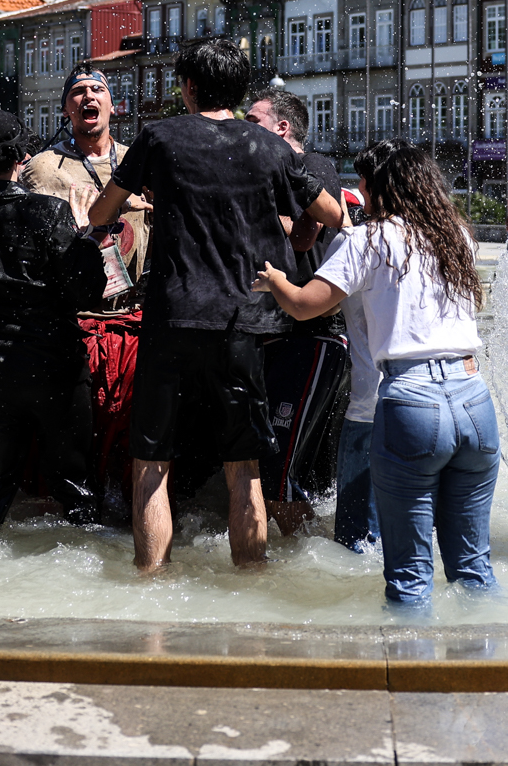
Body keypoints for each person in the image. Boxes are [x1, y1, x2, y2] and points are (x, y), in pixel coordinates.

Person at [86, 37, 341, 570]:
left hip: (170, 318)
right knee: (243, 466)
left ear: (189, 87)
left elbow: (99, 215)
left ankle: (149, 583)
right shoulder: (269, 147)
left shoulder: (158, 137)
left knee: (151, 462)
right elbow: (334, 213)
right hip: (241, 324)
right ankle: (250, 582)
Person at [253, 140, 496, 606]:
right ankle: (483, 667)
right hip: (473, 397)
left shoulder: (368, 239)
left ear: (379, 190)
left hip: (411, 399)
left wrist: (275, 279)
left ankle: (403, 672)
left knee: (408, 577)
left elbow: (306, 307)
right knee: (472, 570)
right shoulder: (458, 237)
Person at [0, 111, 109, 533]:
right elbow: (86, 291)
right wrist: (85, 233)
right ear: (21, 157)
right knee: (78, 499)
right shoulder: (49, 212)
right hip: (56, 368)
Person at [22, 66, 150, 521]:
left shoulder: (140, 160)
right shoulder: (42, 168)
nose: (88, 98)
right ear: (65, 109)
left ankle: (126, 516)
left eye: (98, 90)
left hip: (132, 321)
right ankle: (74, 519)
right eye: (77, 92)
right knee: (74, 434)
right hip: (73, 323)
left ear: (114, 105)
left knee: (131, 432)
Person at [243, 86, 352, 535]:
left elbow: (306, 236)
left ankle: (295, 565)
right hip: (283, 335)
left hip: (310, 337)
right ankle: (306, 555)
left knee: (278, 473)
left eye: (253, 122)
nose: (243, 130)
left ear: (281, 127)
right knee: (296, 468)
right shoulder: (272, 171)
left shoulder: (311, 165)